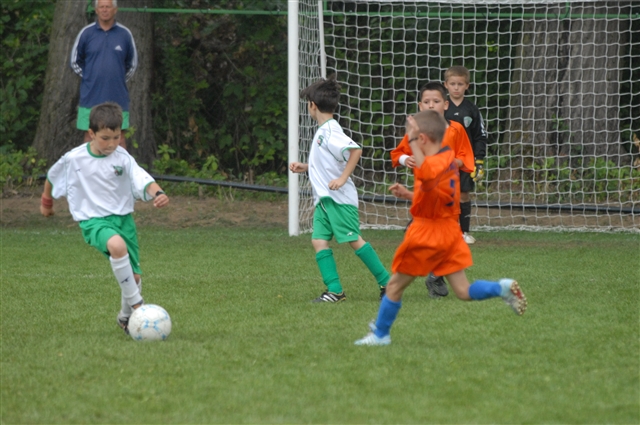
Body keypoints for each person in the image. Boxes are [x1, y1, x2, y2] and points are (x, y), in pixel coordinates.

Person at [354, 110, 527, 346]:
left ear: (422, 138)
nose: (410, 145)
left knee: (393, 286)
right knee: (463, 291)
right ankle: (501, 288)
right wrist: (410, 194)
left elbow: (426, 173)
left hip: (427, 233)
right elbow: (435, 192)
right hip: (450, 231)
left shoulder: (432, 163)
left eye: (412, 139)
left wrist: (412, 140)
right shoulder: (448, 157)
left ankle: (381, 334)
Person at [40, 102, 169, 335]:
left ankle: (125, 318)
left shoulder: (123, 157)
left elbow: (142, 178)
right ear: (91, 134)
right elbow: (52, 176)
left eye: (116, 137)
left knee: (134, 277)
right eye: (105, 138)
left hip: (124, 220)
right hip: (93, 220)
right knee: (117, 246)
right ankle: (139, 307)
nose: (111, 144)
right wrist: (46, 202)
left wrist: (158, 193)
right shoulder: (74, 158)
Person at [289, 78, 390, 302]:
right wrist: (306, 167)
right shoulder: (324, 131)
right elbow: (328, 164)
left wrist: (343, 179)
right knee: (318, 241)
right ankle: (334, 291)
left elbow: (355, 150)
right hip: (325, 200)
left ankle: (387, 283)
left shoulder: (330, 130)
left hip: (339, 200)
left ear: (312, 105)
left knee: (354, 240)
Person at [390, 81, 475, 299]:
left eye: (436, 101)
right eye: (426, 102)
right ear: (420, 106)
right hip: (427, 200)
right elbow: (398, 153)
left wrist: (451, 163)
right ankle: (435, 275)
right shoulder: (419, 131)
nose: (431, 105)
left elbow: (465, 157)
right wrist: (405, 158)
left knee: (428, 241)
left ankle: (433, 275)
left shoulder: (455, 130)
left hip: (443, 205)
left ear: (446, 104)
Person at [70, 0, 137, 150]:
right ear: (96, 10)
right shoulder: (86, 33)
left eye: (108, 7)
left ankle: (120, 166)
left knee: (119, 138)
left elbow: (132, 65)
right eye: (101, 7)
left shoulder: (125, 34)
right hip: (90, 96)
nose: (105, 10)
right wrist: (90, 78)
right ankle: (89, 167)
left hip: (117, 97)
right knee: (89, 137)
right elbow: (75, 62)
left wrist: (116, 79)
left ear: (115, 10)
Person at [443, 66, 488, 245]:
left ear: (467, 86)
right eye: (452, 84)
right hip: (443, 160)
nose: (456, 88)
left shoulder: (472, 109)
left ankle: (464, 232)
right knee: (444, 195)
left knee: (463, 195)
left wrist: (479, 160)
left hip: (465, 160)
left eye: (460, 84)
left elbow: (480, 136)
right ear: (446, 85)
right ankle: (445, 230)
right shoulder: (442, 107)